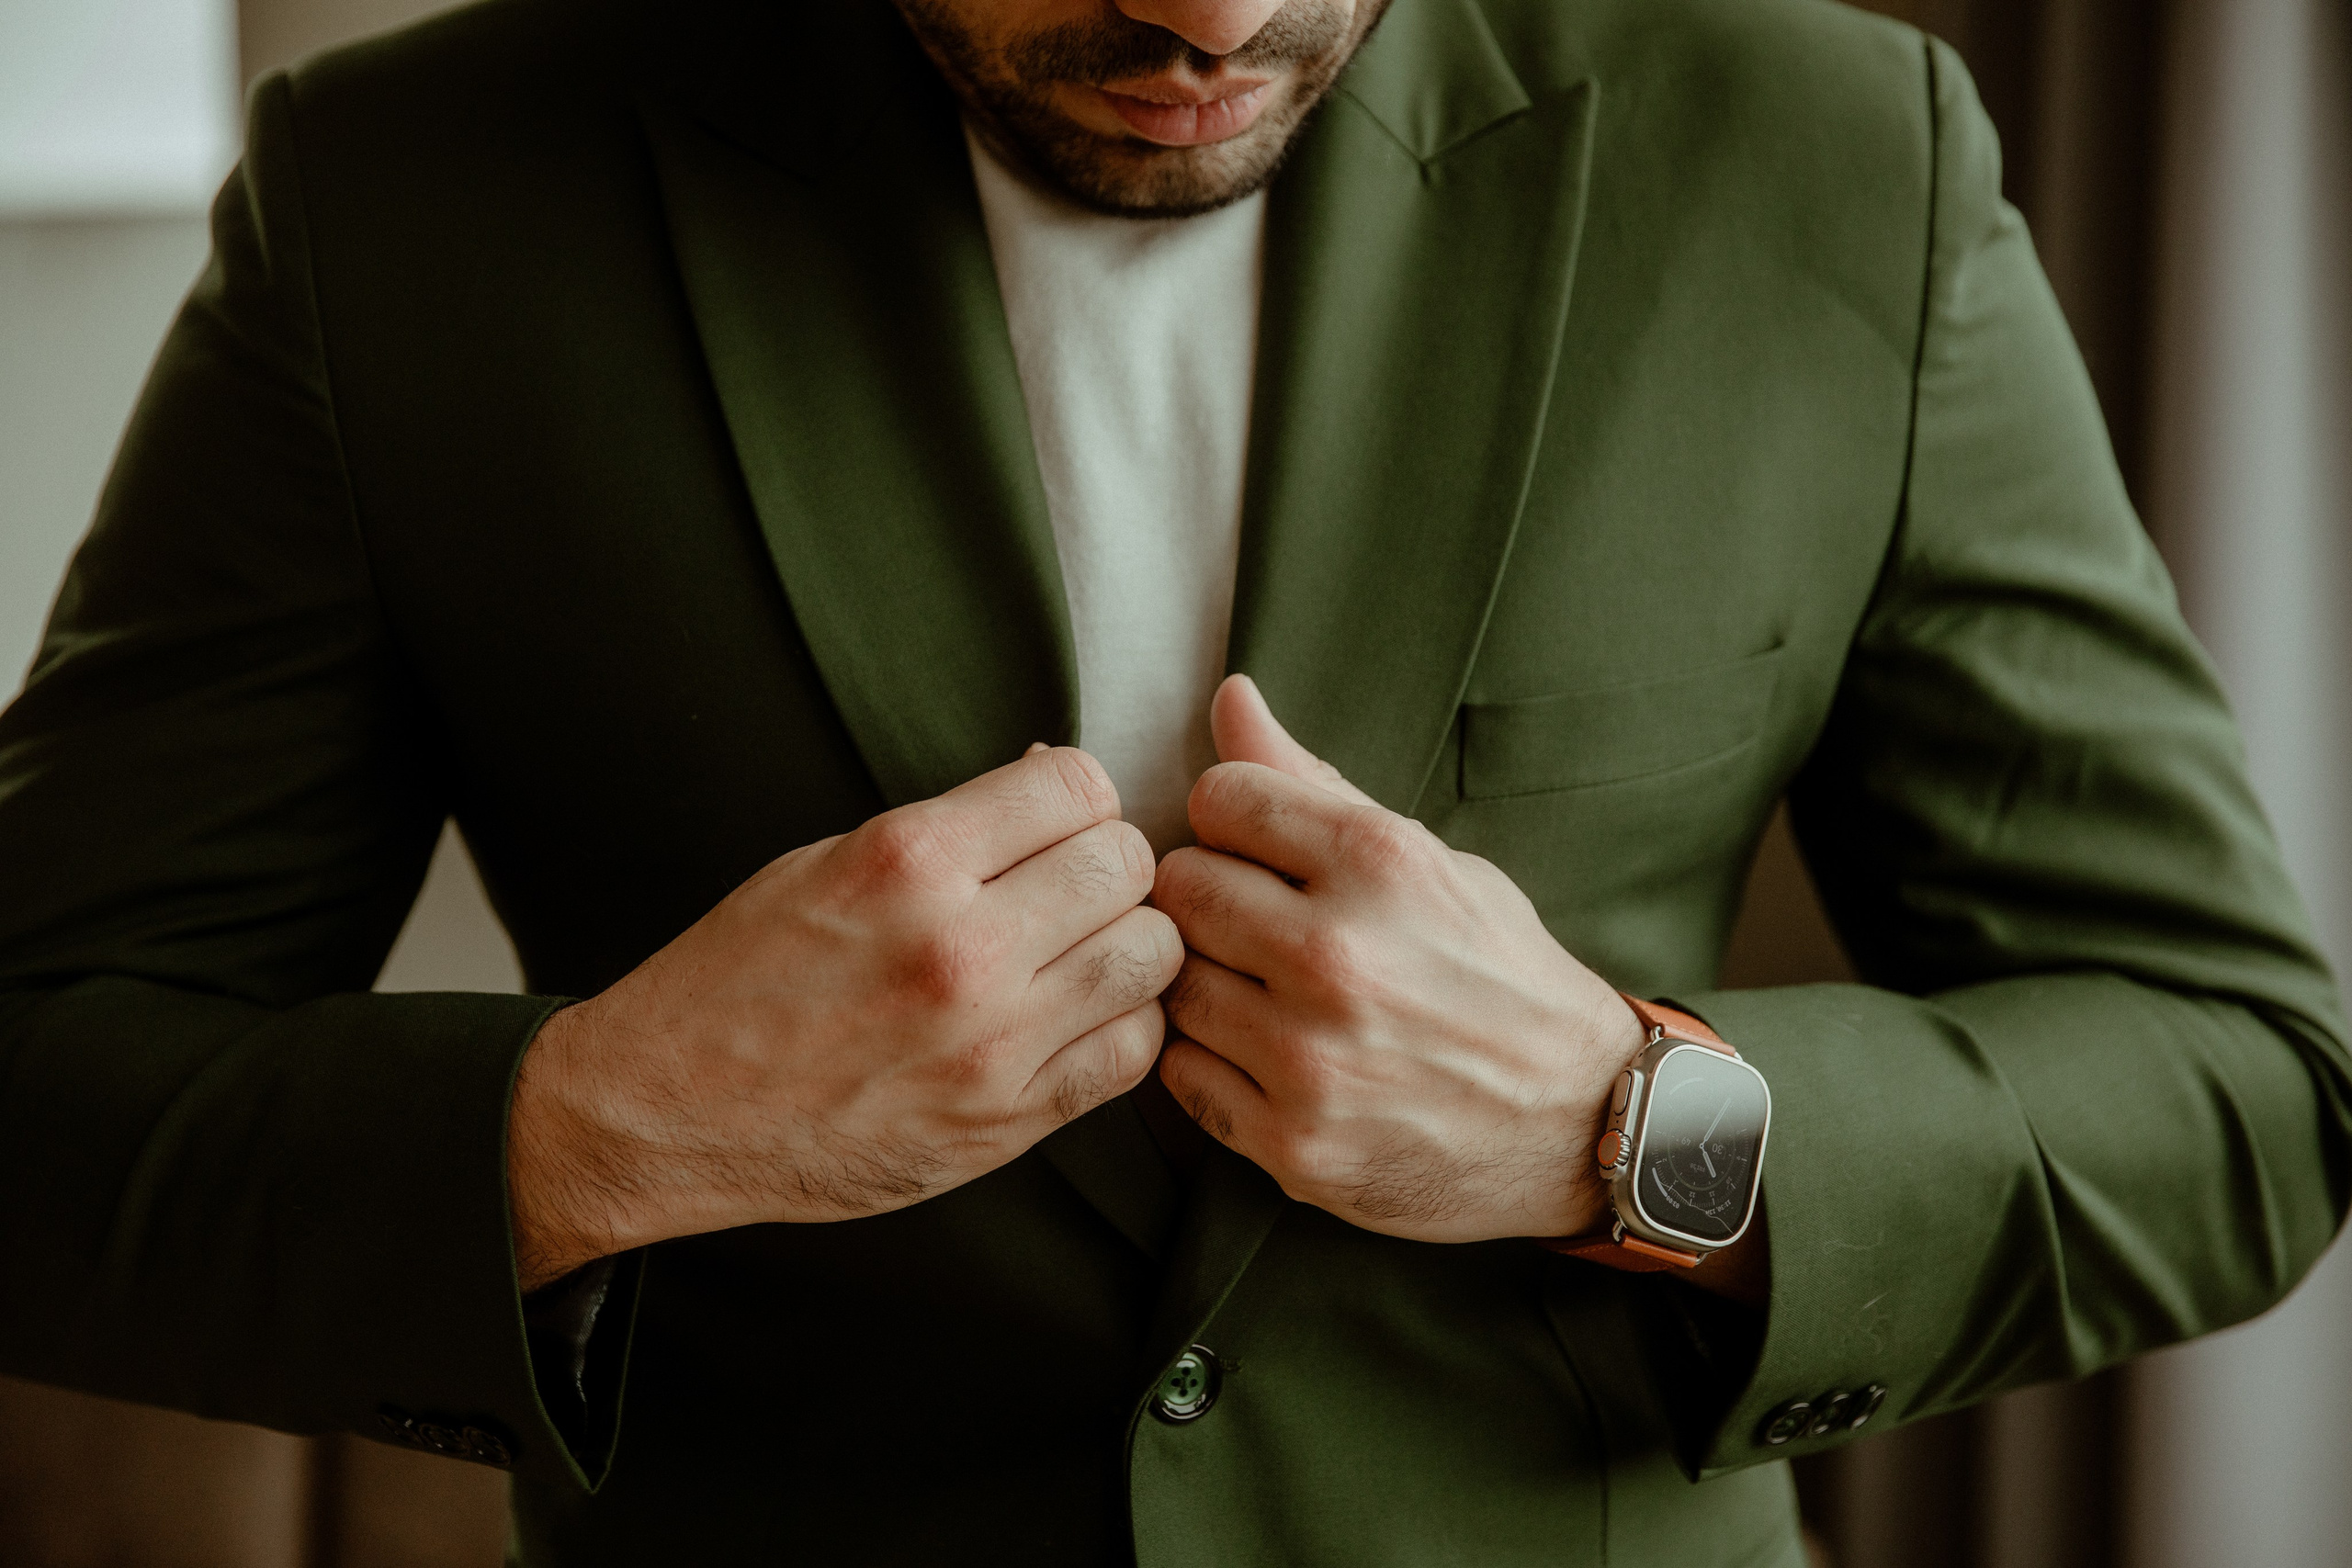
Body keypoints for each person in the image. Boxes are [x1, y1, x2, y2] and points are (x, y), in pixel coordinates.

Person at [0, 0, 2343, 1562]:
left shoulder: (1836, 159)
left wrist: (1627, 1127)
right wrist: (605, 1121)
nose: (1210, 16)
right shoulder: (400, 197)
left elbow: (2244, 1085)